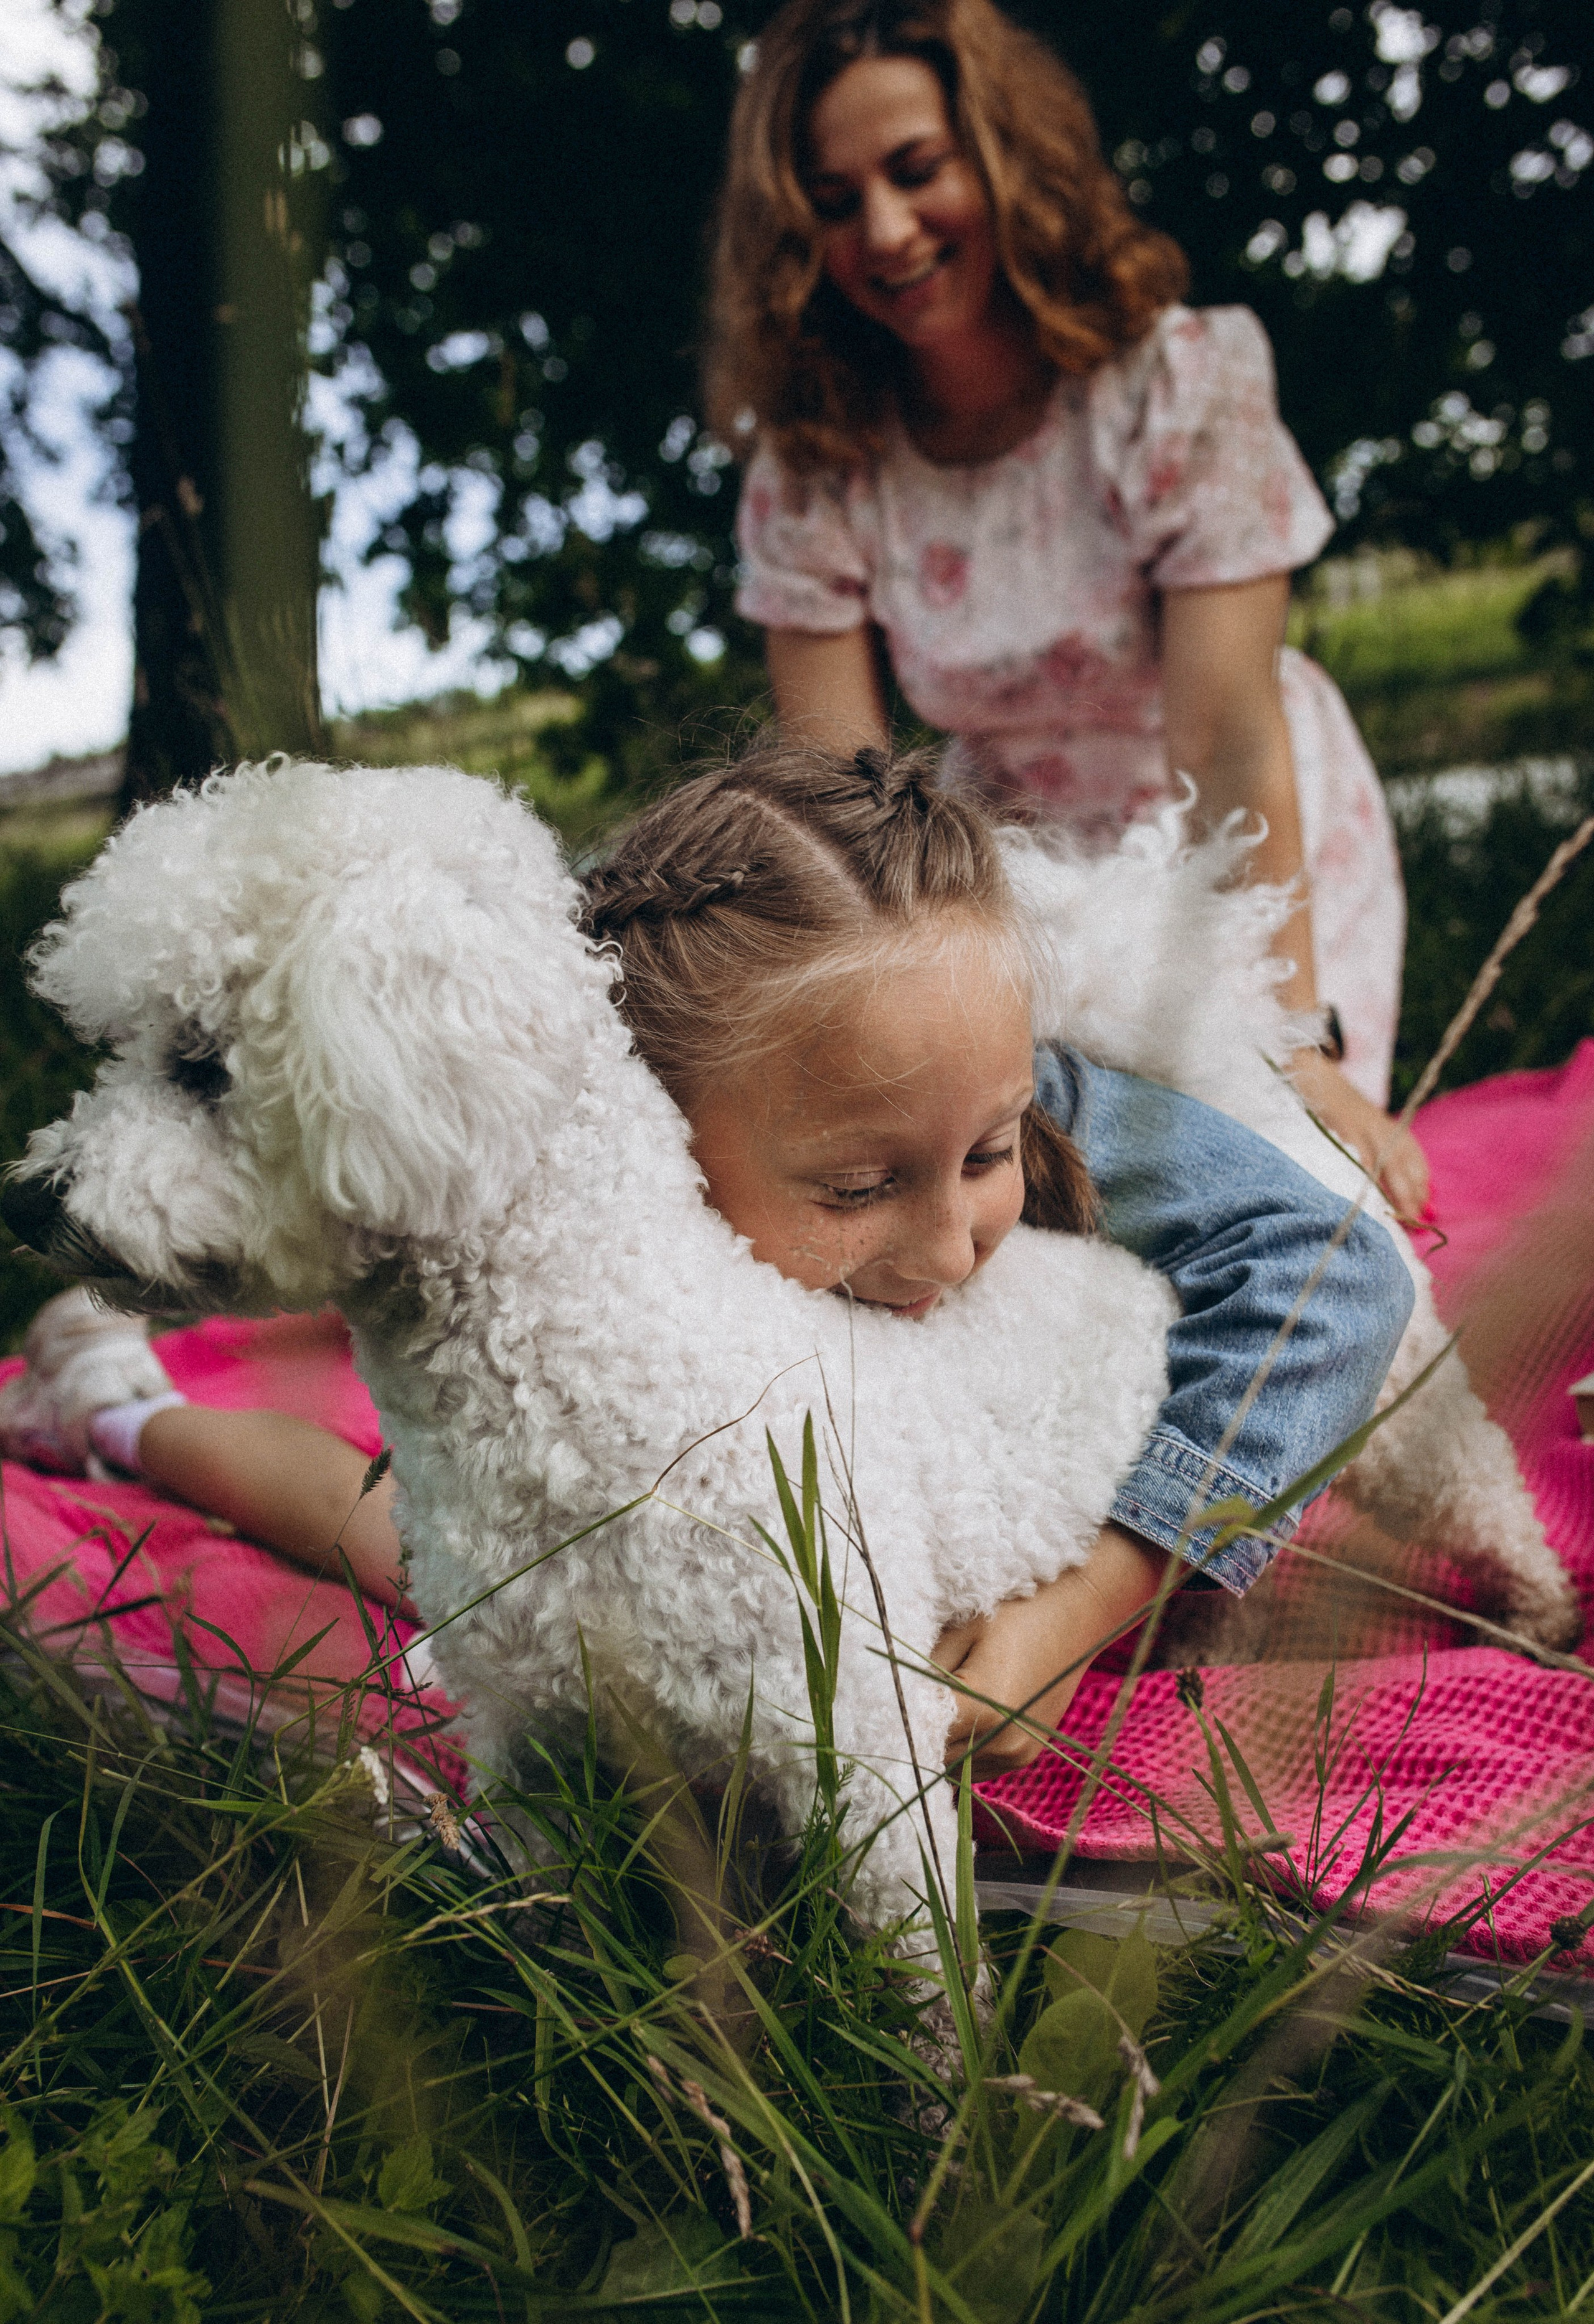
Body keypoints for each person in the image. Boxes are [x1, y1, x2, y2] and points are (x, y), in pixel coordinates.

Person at [0, 740, 1412, 1773]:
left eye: (983, 1160)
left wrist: (1097, 1594)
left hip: (1003, 1486)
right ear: (657, 1118)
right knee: (410, 1542)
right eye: (855, 1187)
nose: (947, 1243)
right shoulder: (626, 1121)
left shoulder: (1014, 1076)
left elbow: (1334, 1266)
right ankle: (128, 1412)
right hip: (724, 1494)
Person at [706, 0, 1428, 1219]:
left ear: (1000, 155)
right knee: (1042, 1213)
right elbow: (846, 801)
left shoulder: (1176, 382)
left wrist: (1291, 1040)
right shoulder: (818, 461)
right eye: (833, 202)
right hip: (1008, 864)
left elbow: (1227, 743)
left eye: (915, 170)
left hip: (1232, 846)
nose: (882, 230)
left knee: (1271, 1188)